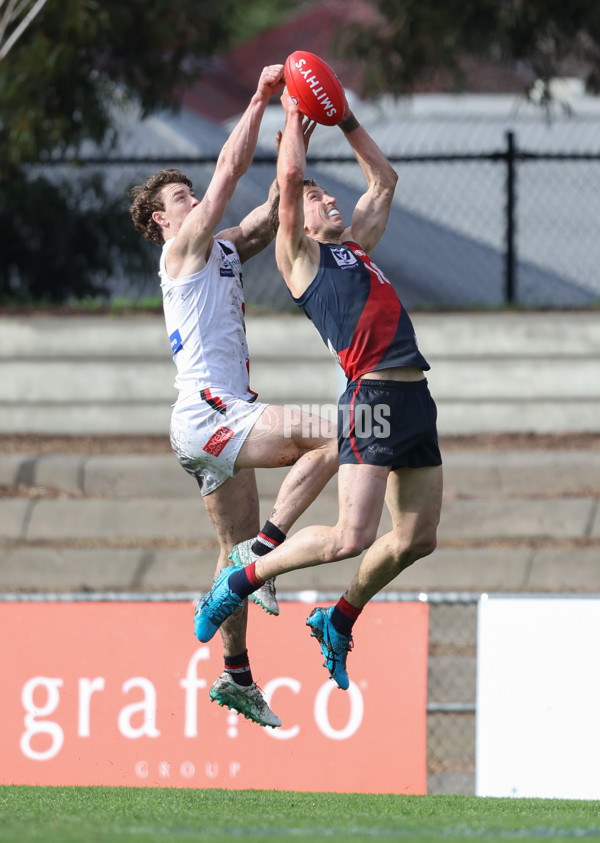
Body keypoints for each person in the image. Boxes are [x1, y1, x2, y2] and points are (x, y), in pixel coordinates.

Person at [194, 84, 443, 693]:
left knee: (417, 539)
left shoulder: (355, 247)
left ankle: (340, 615)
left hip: (414, 399)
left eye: (327, 193)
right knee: (349, 537)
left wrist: (346, 117)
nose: (328, 198)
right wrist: (292, 124)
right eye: (314, 197)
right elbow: (288, 192)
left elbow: (383, 181)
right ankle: (240, 580)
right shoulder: (300, 257)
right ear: (295, 216)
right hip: (373, 400)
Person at [129, 65, 337, 728]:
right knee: (339, 434)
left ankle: (236, 674)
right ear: (162, 220)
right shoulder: (183, 249)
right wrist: (257, 100)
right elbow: (227, 170)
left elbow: (272, 211)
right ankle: (270, 549)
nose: (195, 203)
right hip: (216, 414)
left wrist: (293, 139)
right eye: (182, 199)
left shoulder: (217, 247)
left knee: (231, 556)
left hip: (204, 424)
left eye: (192, 197)